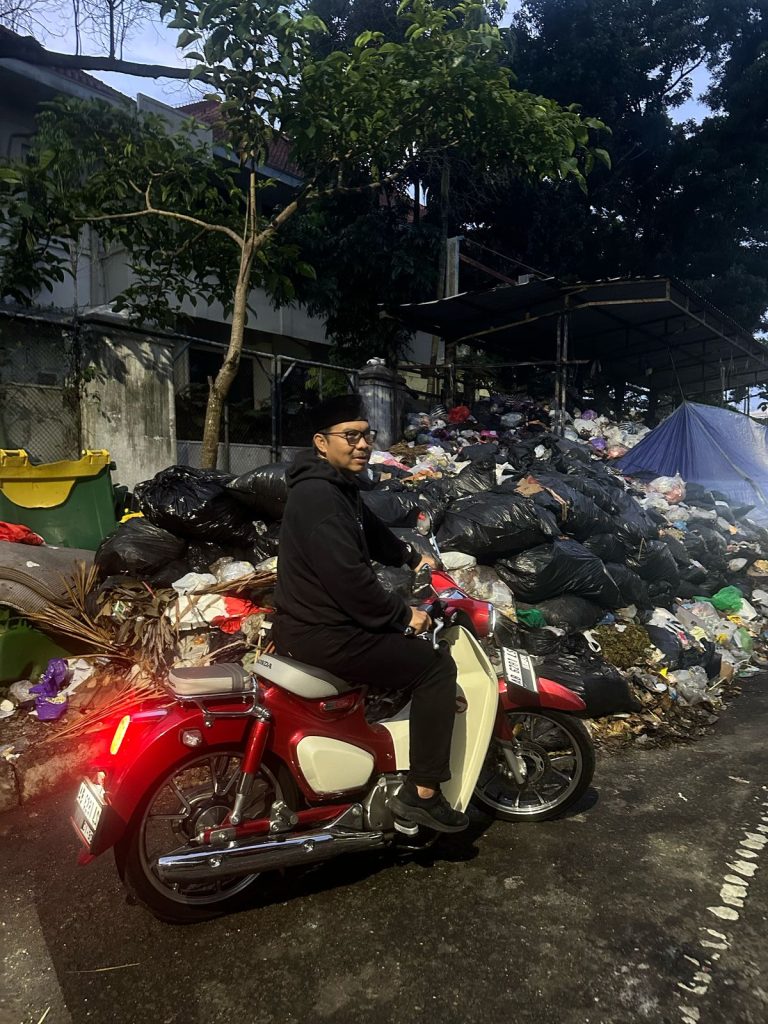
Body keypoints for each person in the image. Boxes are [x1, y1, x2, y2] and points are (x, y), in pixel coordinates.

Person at [273, 393, 468, 833]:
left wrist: (409, 556)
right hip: (324, 632)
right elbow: (350, 583)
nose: (362, 444)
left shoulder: (334, 488)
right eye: (351, 436)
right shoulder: (321, 497)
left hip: (311, 624)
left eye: (366, 435)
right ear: (322, 443)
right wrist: (403, 616)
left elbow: (370, 529)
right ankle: (423, 795)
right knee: (434, 667)